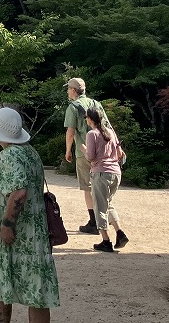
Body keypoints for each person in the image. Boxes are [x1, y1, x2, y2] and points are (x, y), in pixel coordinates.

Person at [0, 106, 60, 323]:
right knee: (36, 291)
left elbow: (19, 192)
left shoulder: (10, 155)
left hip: (17, 234)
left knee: (1, 282)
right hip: (34, 232)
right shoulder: (30, 151)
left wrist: (7, 224)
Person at [83, 105, 128, 252]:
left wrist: (84, 150)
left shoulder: (92, 134)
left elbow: (91, 157)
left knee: (99, 207)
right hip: (115, 173)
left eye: (86, 117)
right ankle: (120, 232)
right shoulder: (110, 132)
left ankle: (106, 241)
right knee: (108, 204)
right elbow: (118, 153)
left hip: (101, 173)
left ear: (90, 119)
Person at [63, 77, 103, 234]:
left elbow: (70, 131)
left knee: (88, 187)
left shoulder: (72, 107)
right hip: (102, 152)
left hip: (83, 151)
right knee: (100, 187)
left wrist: (68, 151)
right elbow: (106, 125)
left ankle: (93, 222)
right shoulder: (96, 104)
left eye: (68, 89)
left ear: (73, 90)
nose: (67, 91)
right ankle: (103, 221)